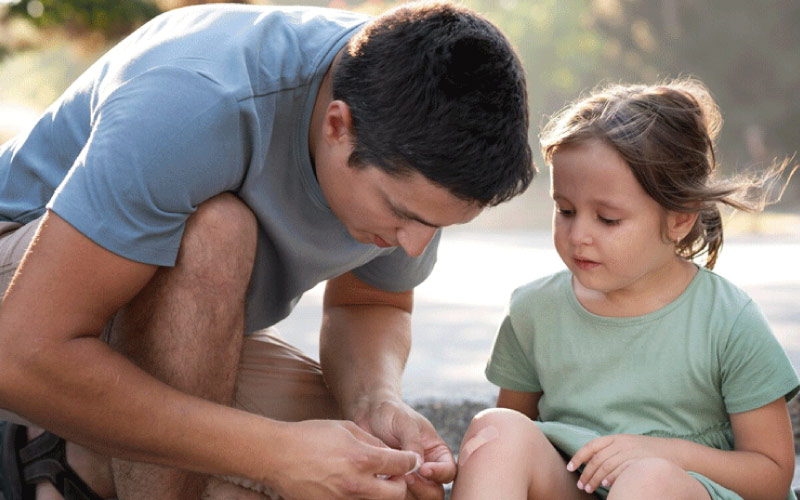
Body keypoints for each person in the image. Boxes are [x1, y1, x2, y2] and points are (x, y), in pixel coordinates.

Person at [0, 1, 534, 499]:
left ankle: (66, 456)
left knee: (368, 478)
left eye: (437, 226)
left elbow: (368, 303)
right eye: (403, 213)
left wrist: (376, 401)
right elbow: (19, 356)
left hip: (165, 325)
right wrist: (272, 455)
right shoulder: (196, 103)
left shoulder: (414, 132)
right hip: (31, 293)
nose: (415, 244)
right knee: (218, 232)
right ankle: (48, 449)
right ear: (337, 126)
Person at [449, 79, 799, 500]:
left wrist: (663, 454)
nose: (579, 235)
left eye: (608, 219)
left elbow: (772, 476)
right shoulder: (535, 310)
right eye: (566, 210)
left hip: (675, 488)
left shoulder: (728, 321)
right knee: (495, 430)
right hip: (575, 483)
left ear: (679, 218)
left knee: (648, 480)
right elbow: (519, 437)